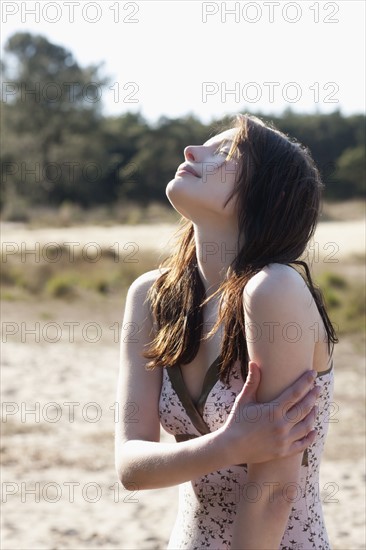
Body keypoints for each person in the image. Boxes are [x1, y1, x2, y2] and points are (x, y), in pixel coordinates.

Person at [115, 114, 338, 549]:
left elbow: (274, 491)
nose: (192, 152)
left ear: (266, 193)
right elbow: (130, 466)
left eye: (227, 153)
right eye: (204, 144)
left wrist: (231, 444)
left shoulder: (275, 290)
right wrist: (230, 444)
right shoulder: (151, 297)